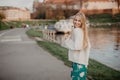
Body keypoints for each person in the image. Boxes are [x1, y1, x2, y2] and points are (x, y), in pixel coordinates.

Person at [61, 12, 91, 80]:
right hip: (83, 62)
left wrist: (67, 40)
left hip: (78, 62)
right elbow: (88, 46)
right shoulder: (83, 31)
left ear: (82, 22)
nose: (76, 22)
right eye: (75, 20)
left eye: (79, 21)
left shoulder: (77, 31)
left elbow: (77, 46)